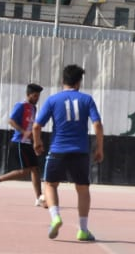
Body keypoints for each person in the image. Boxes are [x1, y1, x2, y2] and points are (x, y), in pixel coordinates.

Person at [32, 64, 104, 242]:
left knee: (50, 185)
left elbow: (36, 126)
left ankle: (55, 217)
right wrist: (99, 148)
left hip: (58, 150)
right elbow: (97, 124)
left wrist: (37, 143)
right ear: (79, 82)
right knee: (83, 189)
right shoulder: (87, 100)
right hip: (80, 152)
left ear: (62, 81)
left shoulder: (53, 100)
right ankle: (83, 230)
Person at [0, 83, 45, 207]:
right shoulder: (20, 106)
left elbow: (32, 126)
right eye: (35, 96)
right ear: (28, 95)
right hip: (20, 142)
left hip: (28, 143)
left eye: (38, 96)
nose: (37, 99)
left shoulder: (33, 108)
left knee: (35, 169)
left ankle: (39, 198)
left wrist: (37, 141)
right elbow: (11, 121)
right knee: (26, 171)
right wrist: (23, 132)